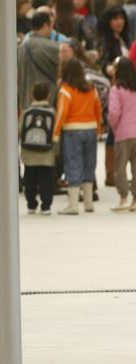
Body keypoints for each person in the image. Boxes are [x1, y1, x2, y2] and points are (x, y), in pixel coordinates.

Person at [53, 59, 102, 215]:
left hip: (72, 131)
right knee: (89, 164)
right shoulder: (91, 89)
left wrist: (55, 133)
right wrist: (99, 129)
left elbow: (62, 113)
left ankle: (73, 204)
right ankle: (88, 203)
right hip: (91, 129)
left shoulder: (65, 90)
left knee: (73, 164)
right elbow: (98, 110)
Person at [98, 6, 131, 187]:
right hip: (114, 89)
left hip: (129, 88)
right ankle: (111, 173)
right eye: (115, 18)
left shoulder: (126, 39)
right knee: (113, 130)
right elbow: (102, 63)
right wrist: (110, 69)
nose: (119, 22)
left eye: (121, 18)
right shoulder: (106, 41)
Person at [20, 83, 56, 215]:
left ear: (32, 96)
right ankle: (46, 205)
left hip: (29, 154)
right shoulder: (52, 113)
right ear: (48, 96)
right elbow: (55, 134)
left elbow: (19, 131)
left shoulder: (26, 113)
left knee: (29, 179)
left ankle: (31, 204)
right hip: (46, 155)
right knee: (46, 180)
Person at [107, 57, 136, 211]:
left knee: (120, 167)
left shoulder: (116, 90)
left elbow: (114, 112)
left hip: (123, 133)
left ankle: (123, 198)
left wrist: (114, 126)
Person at [18, 11, 60, 111]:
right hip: (47, 104)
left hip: (25, 104)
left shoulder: (20, 48)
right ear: (45, 25)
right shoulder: (51, 47)